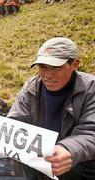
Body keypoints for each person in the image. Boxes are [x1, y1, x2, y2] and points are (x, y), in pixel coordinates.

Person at [7, 37, 95, 179]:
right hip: (40, 154)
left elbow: (91, 131)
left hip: (75, 159)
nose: (47, 75)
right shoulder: (31, 87)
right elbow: (15, 121)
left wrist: (69, 149)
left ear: (74, 64)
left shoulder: (91, 88)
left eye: (56, 67)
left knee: (76, 171)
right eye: (43, 67)